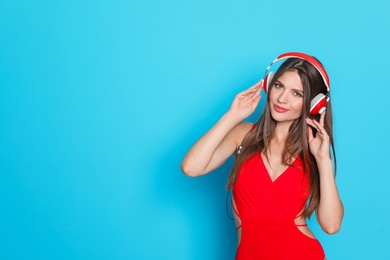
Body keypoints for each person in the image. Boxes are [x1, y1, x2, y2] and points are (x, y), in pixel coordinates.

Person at [180, 52, 344, 259]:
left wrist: (323, 160)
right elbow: (191, 167)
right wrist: (233, 115)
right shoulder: (243, 135)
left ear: (314, 104)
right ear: (269, 85)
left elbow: (331, 225)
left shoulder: (314, 148)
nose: (282, 99)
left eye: (297, 94)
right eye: (279, 86)